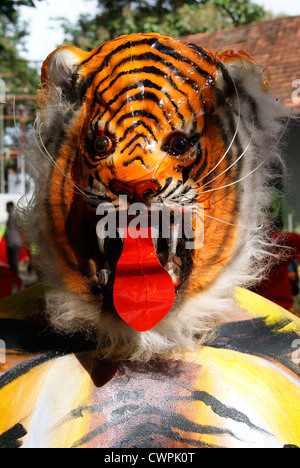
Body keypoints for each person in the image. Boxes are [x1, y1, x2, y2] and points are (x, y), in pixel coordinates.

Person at [4, 202, 22, 275]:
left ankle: (15, 280)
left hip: (14, 243)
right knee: (11, 263)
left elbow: (20, 228)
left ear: (11, 207)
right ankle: (13, 279)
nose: (7, 209)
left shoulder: (14, 217)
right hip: (10, 243)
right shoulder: (10, 216)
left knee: (13, 263)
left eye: (8, 207)